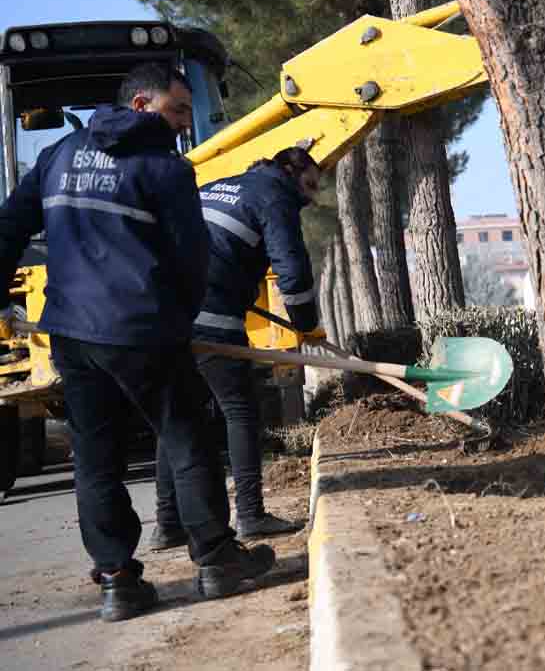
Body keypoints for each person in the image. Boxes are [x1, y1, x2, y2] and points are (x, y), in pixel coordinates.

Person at [0, 63, 274, 622]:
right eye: (177, 111)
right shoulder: (165, 169)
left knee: (96, 456)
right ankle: (216, 561)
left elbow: (9, 226)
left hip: (72, 331)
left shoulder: (60, 155)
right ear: (143, 106)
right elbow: (190, 259)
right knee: (186, 439)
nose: (180, 124)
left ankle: (117, 581)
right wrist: (179, 319)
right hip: (144, 330)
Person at [150, 146, 324, 547]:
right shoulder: (275, 196)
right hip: (211, 318)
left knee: (175, 415)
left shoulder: (219, 186)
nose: (313, 198)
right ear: (288, 172)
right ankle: (250, 515)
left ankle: (167, 525)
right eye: (310, 186)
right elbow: (292, 272)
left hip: (167, 317)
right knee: (240, 410)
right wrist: (307, 326)